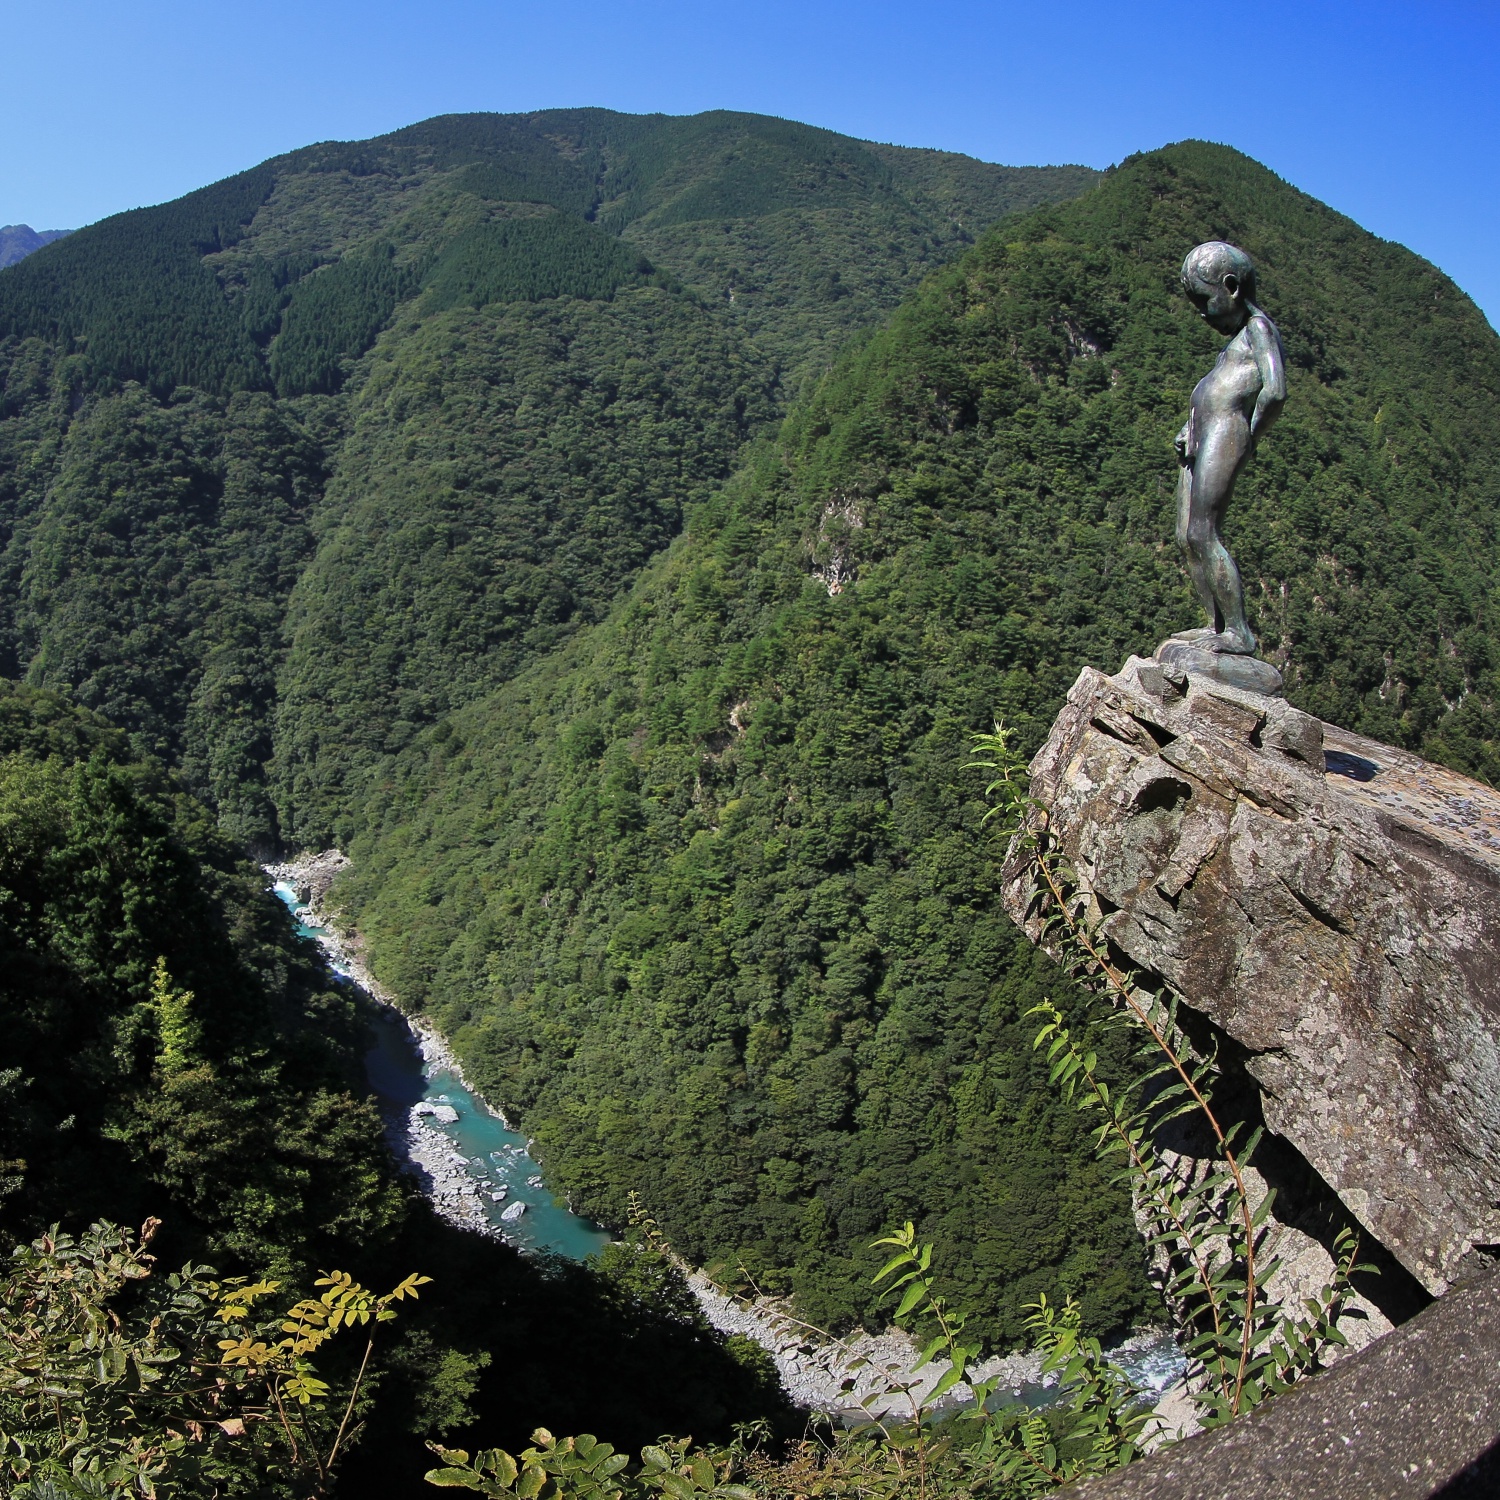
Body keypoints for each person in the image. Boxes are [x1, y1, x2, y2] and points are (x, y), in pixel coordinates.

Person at [1172, 241, 1286, 655]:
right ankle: (1214, 624)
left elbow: (1274, 392)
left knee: (1204, 531)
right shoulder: (1236, 338)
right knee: (1187, 535)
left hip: (1227, 432)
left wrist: (1250, 435)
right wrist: (1191, 426)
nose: (1202, 313)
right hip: (1204, 434)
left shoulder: (1258, 329)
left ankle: (1239, 632)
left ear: (1232, 286)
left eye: (1205, 300)